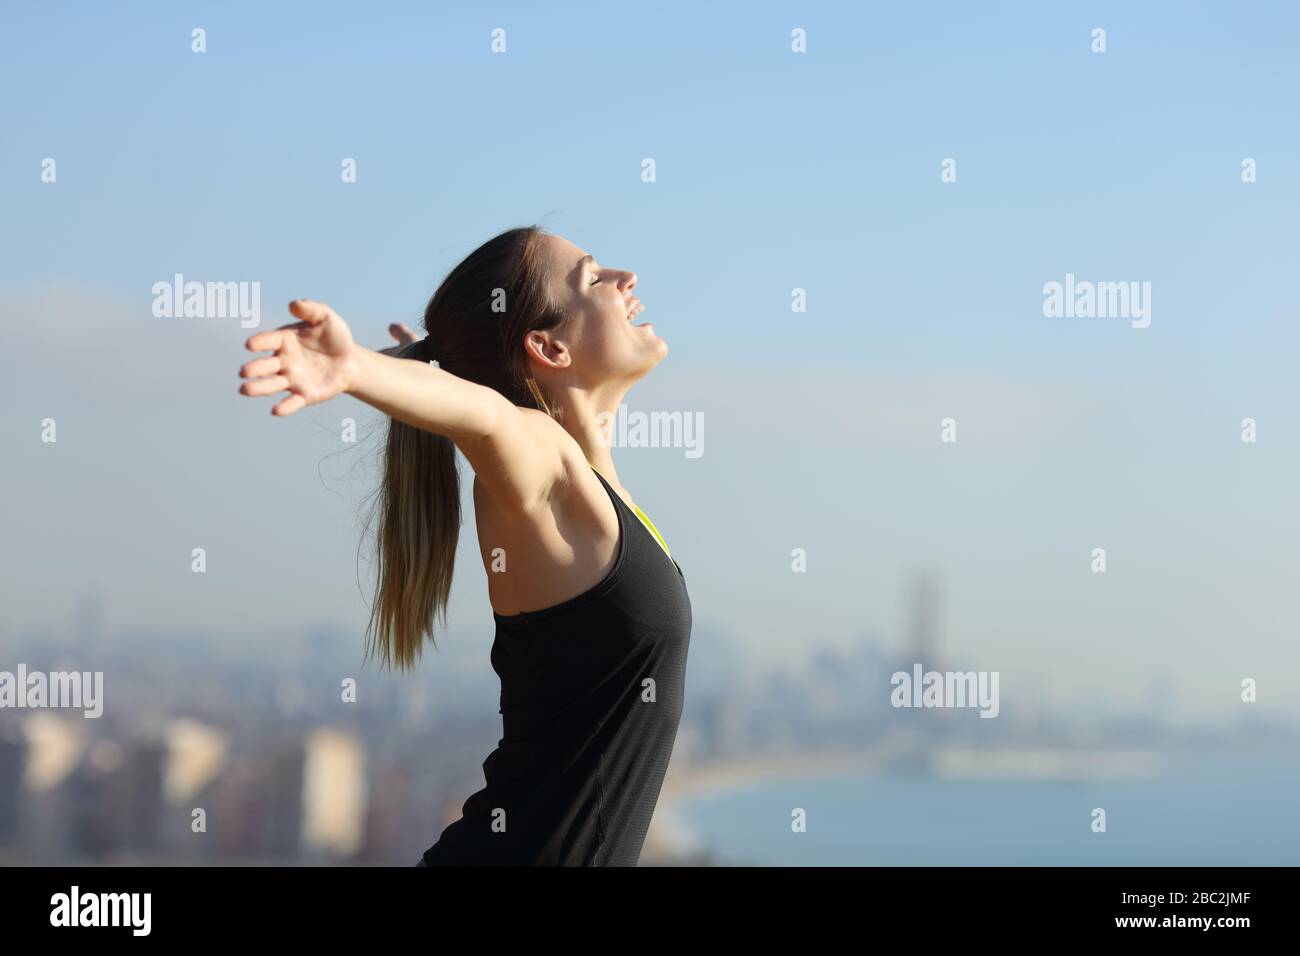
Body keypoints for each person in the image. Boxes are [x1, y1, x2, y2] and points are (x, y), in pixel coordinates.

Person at [237, 226, 692, 865]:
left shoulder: (596, 491)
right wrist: (357, 369)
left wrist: (416, 367)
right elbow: (489, 418)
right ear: (548, 346)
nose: (626, 279)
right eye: (593, 277)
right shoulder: (544, 465)